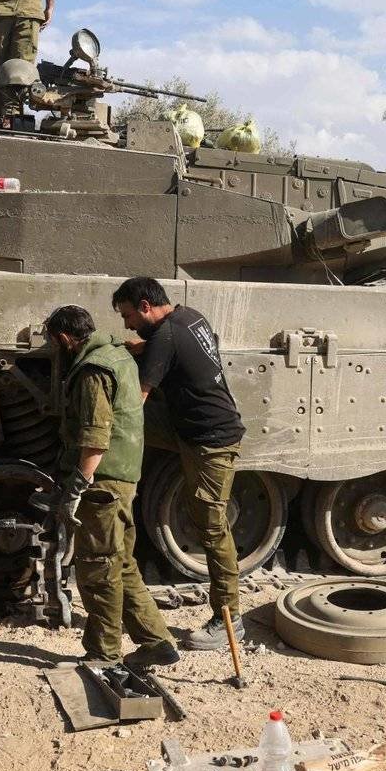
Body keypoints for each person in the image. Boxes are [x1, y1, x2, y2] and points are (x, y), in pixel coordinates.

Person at [111, 276, 246, 652]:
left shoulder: (165, 338)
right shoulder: (189, 317)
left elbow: (136, 400)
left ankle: (229, 617)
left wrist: (102, 436)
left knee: (212, 527)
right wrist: (142, 349)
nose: (127, 325)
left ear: (145, 307)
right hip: (190, 428)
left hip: (211, 442)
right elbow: (175, 348)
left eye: (128, 316)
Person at [40, 305, 179, 669]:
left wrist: (75, 489)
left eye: (54, 342)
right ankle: (157, 641)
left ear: (65, 338)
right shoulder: (118, 355)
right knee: (122, 563)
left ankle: (104, 654)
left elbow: (95, 438)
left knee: (98, 567)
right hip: (125, 476)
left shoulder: (93, 370)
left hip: (103, 482)